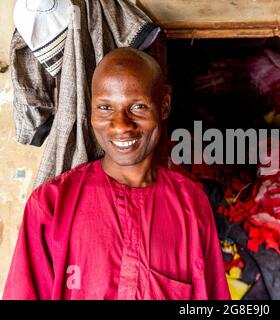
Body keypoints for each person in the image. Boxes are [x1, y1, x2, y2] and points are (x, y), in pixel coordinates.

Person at [3, 48, 230, 300]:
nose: (121, 125)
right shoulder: (52, 205)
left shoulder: (191, 204)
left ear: (164, 105)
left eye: (138, 106)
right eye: (105, 107)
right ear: (90, 109)